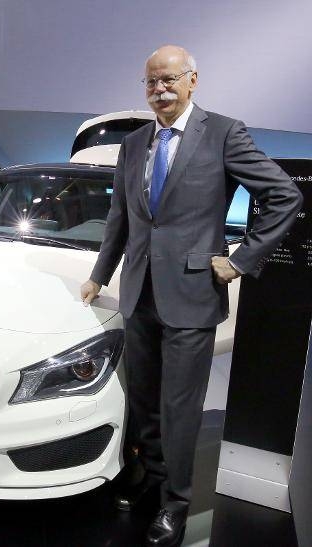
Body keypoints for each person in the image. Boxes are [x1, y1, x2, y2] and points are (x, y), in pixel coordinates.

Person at [80, 45, 302, 547]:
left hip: (193, 296)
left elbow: (283, 195)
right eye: (151, 82)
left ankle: (176, 505)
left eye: (169, 80)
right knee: (143, 403)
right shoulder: (135, 144)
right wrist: (100, 274)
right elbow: (121, 218)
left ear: (193, 80)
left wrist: (242, 258)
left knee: (180, 407)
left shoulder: (224, 133)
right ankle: (151, 481)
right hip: (139, 293)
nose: (160, 90)